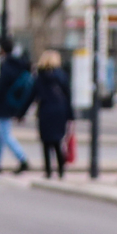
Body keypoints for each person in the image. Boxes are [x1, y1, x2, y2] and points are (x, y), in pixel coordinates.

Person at [0, 41, 34, 173]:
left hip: (3, 104)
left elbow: (0, 87)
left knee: (5, 135)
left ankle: (22, 159)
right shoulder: (19, 64)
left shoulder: (7, 65)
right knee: (0, 136)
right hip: (12, 103)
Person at [28, 50, 74, 179]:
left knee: (46, 142)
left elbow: (32, 96)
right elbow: (68, 97)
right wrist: (71, 116)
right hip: (60, 111)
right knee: (58, 141)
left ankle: (48, 171)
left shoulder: (39, 77)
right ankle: (61, 170)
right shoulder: (63, 76)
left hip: (45, 111)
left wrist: (21, 113)